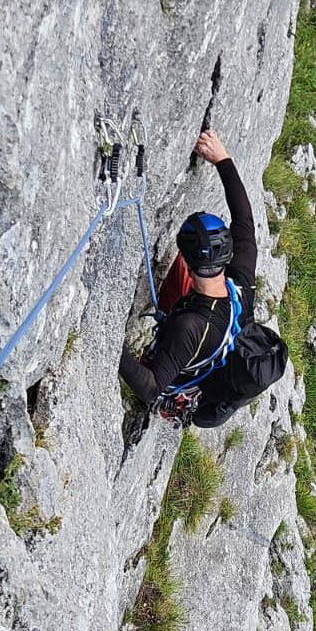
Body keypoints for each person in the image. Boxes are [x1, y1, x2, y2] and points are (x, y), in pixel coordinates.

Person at [119, 129, 258, 428]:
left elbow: (151, 388)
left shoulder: (189, 327)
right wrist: (223, 159)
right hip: (212, 345)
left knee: (161, 364)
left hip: (182, 368)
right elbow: (244, 220)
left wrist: (111, 346)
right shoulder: (242, 284)